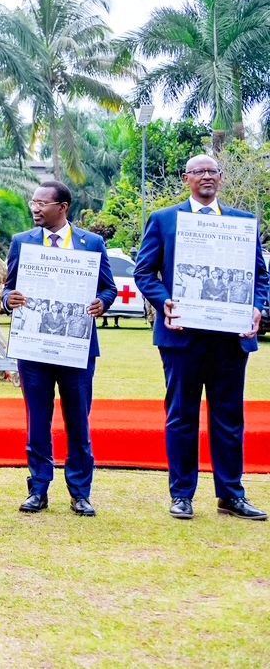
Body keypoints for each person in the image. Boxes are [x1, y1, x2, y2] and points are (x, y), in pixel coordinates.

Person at [134, 154, 270, 521]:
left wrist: (258, 307)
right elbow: (144, 272)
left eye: (212, 171)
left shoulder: (243, 223)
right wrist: (166, 304)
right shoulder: (165, 220)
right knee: (182, 416)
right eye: (199, 172)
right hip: (182, 337)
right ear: (186, 179)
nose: (206, 176)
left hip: (230, 338)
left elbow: (260, 276)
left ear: (221, 178)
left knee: (229, 418)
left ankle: (231, 495)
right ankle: (182, 495)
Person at [4, 180, 118, 518]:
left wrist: (102, 303)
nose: (35, 208)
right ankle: (38, 489)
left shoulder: (92, 243)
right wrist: (12, 300)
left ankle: (80, 493)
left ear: (63, 207)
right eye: (33, 202)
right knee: (38, 421)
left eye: (42, 203)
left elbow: (108, 288)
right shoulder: (21, 242)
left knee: (78, 422)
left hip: (76, 348)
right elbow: (9, 290)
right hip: (34, 349)